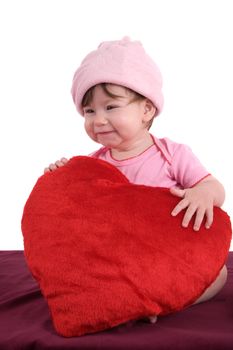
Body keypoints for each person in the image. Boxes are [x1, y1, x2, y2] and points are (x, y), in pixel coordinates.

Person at [44, 37, 227, 324]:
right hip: (119, 260)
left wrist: (203, 193)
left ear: (147, 110)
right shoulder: (93, 164)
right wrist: (62, 178)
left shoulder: (172, 155)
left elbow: (214, 188)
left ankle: (163, 301)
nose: (99, 120)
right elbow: (78, 213)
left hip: (165, 254)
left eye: (111, 107)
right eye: (89, 111)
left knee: (219, 274)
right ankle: (129, 299)